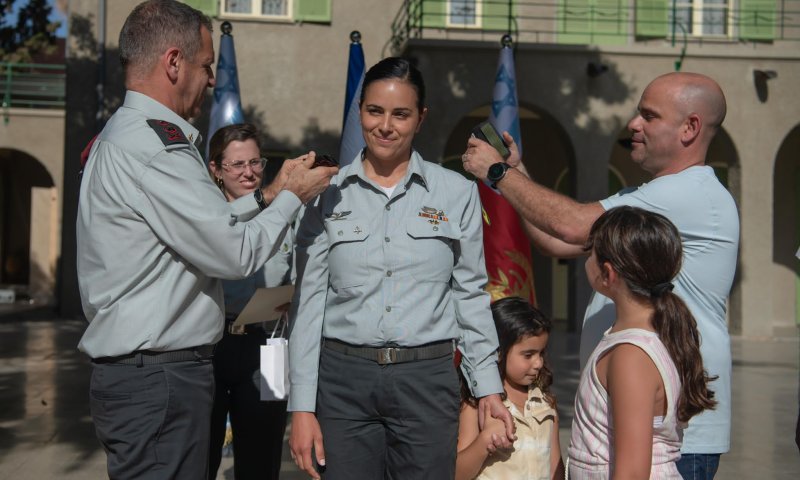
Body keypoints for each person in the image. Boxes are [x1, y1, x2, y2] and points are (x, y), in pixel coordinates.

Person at [76, 2, 337, 478]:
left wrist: (271, 194)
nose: (212, 79)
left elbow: (202, 225)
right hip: (160, 377)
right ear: (174, 62)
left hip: (177, 366)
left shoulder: (128, 136)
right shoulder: (158, 148)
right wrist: (292, 198)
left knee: (255, 457)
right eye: (206, 65)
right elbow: (234, 252)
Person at [461, 72, 739, 479]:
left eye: (649, 115)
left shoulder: (688, 193)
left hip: (670, 439)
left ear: (690, 127)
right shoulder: (647, 195)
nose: (633, 125)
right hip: (625, 424)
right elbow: (558, 240)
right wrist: (517, 175)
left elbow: (572, 226)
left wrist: (500, 174)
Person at [287, 57, 515, 480]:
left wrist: (487, 387)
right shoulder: (325, 193)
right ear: (360, 112)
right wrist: (301, 406)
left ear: (421, 118)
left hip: (425, 380)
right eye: (375, 111)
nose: (385, 126)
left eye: (401, 114)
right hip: (343, 383)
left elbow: (469, 295)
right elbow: (308, 303)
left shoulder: (457, 192)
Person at [569, 206, 717, 478]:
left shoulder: (630, 356)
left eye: (590, 253)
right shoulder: (647, 336)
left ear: (608, 273)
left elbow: (632, 472)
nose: (586, 260)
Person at [206, 124, 292, 480]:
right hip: (212, 343)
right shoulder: (206, 216)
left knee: (265, 452)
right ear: (215, 169)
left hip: (270, 344)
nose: (249, 172)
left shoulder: (287, 212)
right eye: (237, 164)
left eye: (255, 162)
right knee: (202, 450)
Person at [456, 296, 565, 480]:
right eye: (528, 355)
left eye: (541, 353)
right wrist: (485, 441)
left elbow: (555, 466)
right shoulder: (477, 405)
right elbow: (457, 473)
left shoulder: (545, 403)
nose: (538, 363)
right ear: (498, 352)